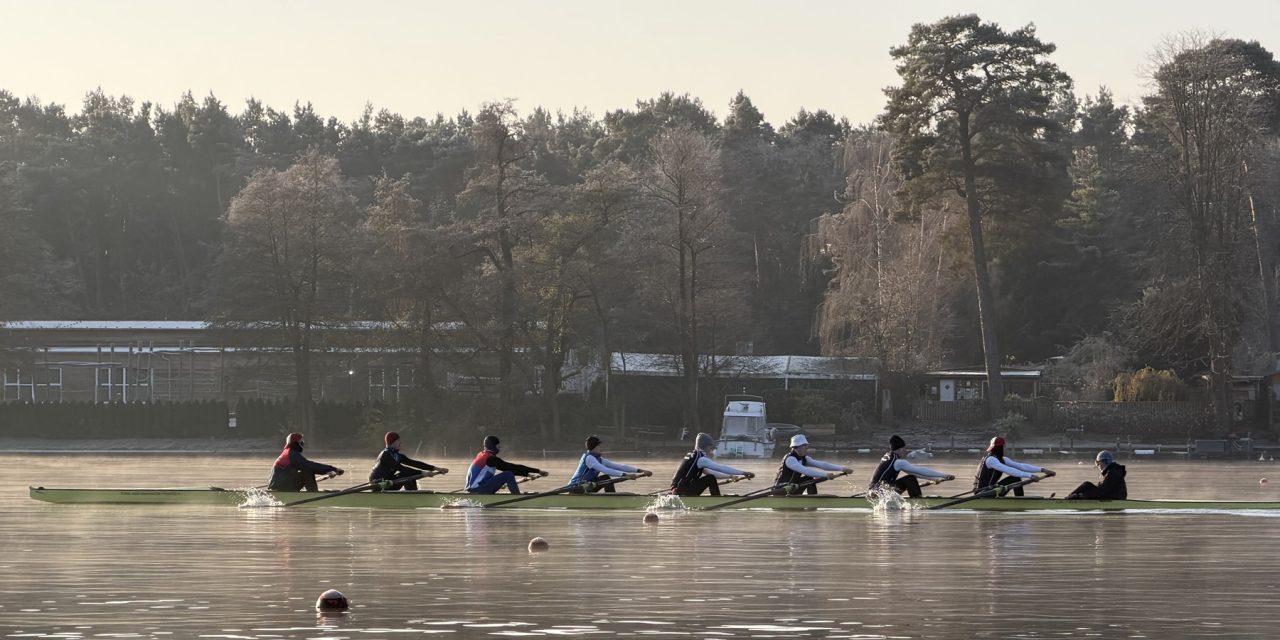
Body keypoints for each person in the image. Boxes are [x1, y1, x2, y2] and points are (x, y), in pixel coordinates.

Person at [669, 432, 756, 496]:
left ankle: (715, 498)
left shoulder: (694, 456)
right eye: (710, 447)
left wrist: (730, 476)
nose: (711, 449)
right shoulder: (701, 459)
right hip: (682, 491)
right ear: (706, 446)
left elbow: (711, 472)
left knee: (710, 476)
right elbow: (720, 467)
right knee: (710, 479)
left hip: (678, 489)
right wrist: (744, 473)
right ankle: (716, 499)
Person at [869, 435, 954, 498]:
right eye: (904, 449)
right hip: (879, 492)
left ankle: (916, 499)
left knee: (911, 477)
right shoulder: (898, 462)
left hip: (875, 490)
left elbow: (915, 473)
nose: (905, 451)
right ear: (901, 449)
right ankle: (917, 501)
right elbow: (921, 470)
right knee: (910, 479)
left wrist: (933, 479)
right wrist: (944, 475)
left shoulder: (887, 456)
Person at [567, 435, 653, 493]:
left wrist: (641, 470)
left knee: (605, 478)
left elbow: (620, 466)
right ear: (595, 447)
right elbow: (606, 470)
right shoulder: (589, 458)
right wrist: (626, 475)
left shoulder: (599, 459)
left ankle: (611, 498)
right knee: (606, 478)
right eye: (600, 446)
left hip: (587, 486)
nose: (601, 448)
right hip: (576, 487)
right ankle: (612, 500)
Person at [465, 435, 548, 495]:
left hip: (474, 489)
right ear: (493, 446)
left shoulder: (482, 455)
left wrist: (527, 474)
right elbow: (512, 468)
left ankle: (515, 495)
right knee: (508, 474)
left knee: (508, 473)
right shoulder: (490, 459)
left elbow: (510, 468)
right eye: (498, 446)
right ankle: (516, 498)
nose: (500, 448)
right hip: (478, 489)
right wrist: (538, 471)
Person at [973, 436, 1054, 497]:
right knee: (1015, 478)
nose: (1002, 449)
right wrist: (1030, 475)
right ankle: (1020, 502)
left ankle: (1020, 500)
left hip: (991, 490)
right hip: (982, 493)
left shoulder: (1002, 459)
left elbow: (1021, 466)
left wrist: (1043, 470)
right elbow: (1009, 470)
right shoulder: (991, 460)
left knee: (1015, 478)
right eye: (1000, 447)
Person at [773, 434, 852, 495]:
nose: (807, 448)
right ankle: (812, 499)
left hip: (793, 487)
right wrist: (825, 474)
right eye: (805, 446)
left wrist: (842, 468)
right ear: (797, 447)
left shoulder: (804, 458)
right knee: (809, 476)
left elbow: (822, 465)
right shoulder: (790, 460)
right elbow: (806, 470)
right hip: (782, 489)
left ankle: (813, 497)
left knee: (809, 478)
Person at [369, 431, 447, 491]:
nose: (400, 443)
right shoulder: (385, 455)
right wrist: (422, 473)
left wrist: (437, 468)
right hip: (377, 484)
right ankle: (412, 496)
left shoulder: (398, 456)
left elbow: (414, 463)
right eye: (398, 441)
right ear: (393, 442)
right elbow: (401, 468)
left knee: (408, 475)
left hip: (388, 482)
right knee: (406, 474)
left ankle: (414, 494)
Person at [268, 432, 344, 492]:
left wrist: (328, 471)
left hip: (278, 485)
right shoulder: (292, 454)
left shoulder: (288, 452)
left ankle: (311, 492)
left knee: (306, 471)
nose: (303, 445)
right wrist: (333, 469)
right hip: (280, 487)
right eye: (302, 443)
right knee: (307, 472)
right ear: (296, 443)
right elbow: (309, 466)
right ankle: (313, 495)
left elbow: (305, 466)